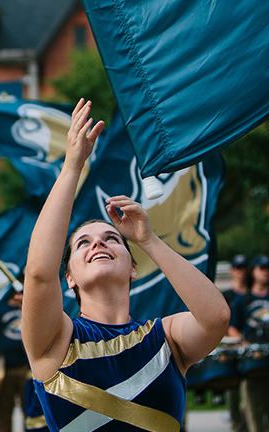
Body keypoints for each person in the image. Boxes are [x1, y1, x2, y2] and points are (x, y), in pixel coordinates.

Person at [23, 98, 230, 431]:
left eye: (112, 238)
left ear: (133, 268)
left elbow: (216, 318)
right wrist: (72, 167)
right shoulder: (57, 341)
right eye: (83, 243)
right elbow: (37, 274)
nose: (99, 244)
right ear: (70, 278)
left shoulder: (166, 338)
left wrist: (149, 241)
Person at [228, 255, 269, 432]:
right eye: (261, 269)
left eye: (268, 269)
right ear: (253, 272)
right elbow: (232, 327)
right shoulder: (243, 300)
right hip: (251, 364)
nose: (265, 272)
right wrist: (244, 344)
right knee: (253, 411)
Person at [0, 290, 29, 432]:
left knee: (29, 411)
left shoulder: (31, 308)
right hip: (4, 368)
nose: (18, 296)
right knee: (3, 410)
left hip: (27, 367)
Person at [221, 254, 249, 432]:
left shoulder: (252, 294)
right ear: (232, 271)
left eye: (244, 268)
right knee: (232, 390)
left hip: (249, 346)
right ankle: (236, 424)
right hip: (232, 345)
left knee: (249, 388)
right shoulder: (226, 295)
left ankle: (246, 423)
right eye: (238, 268)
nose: (241, 272)